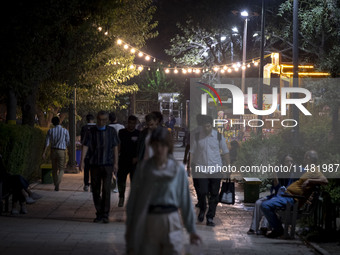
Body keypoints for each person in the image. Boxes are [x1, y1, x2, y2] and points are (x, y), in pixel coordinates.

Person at [126, 127, 201, 255]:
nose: (159, 149)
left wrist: (191, 230)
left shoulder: (178, 170)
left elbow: (185, 201)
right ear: (151, 146)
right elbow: (133, 200)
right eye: (155, 145)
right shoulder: (143, 168)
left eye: (163, 145)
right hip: (149, 219)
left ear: (168, 146)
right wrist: (131, 234)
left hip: (171, 219)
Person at [261, 150, 328, 238]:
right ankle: (277, 230)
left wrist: (309, 180)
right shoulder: (309, 170)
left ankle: (278, 230)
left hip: (292, 199)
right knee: (264, 204)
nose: (304, 158)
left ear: (309, 158)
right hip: (288, 196)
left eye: (306, 156)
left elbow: (325, 181)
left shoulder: (315, 170)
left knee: (265, 205)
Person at [190, 115, 230, 226]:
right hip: (201, 168)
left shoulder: (218, 136)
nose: (206, 129)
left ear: (211, 125)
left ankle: (210, 217)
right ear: (202, 126)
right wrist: (189, 166)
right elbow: (192, 152)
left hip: (216, 169)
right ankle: (202, 209)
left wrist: (228, 166)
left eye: (208, 126)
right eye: (204, 127)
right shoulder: (197, 137)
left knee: (214, 194)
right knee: (202, 192)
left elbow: (226, 152)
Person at [81, 111, 119, 223]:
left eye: (103, 120)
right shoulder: (91, 131)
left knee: (106, 189)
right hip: (95, 164)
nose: (101, 122)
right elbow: (85, 145)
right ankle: (99, 213)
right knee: (96, 190)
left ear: (107, 120)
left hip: (108, 164)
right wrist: (82, 161)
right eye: (99, 119)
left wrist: (116, 163)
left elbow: (115, 147)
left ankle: (105, 214)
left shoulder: (111, 131)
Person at [247, 154, 296, 235]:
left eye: (291, 161)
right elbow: (275, 189)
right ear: (283, 163)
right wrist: (275, 175)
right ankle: (253, 228)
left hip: (284, 198)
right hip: (275, 196)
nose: (289, 163)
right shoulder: (280, 172)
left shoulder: (293, 174)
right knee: (258, 202)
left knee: (268, 204)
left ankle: (264, 227)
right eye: (287, 161)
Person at [117, 115, 140, 207]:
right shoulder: (121, 132)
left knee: (134, 182)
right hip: (123, 160)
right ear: (127, 123)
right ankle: (121, 197)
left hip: (135, 162)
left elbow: (141, 148)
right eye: (130, 123)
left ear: (136, 124)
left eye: (133, 123)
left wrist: (138, 157)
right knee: (121, 180)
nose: (131, 125)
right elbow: (118, 145)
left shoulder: (139, 133)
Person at [42, 116, 70, 191]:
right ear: (59, 122)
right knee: (61, 169)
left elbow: (47, 142)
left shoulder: (50, 131)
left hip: (53, 151)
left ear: (52, 123)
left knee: (54, 169)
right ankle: (57, 183)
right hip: (61, 151)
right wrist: (68, 152)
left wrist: (44, 152)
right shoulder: (65, 131)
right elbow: (68, 142)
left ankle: (55, 184)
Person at [108, 112, 125, 193]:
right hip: (119, 150)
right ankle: (117, 186)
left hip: (109, 151)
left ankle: (111, 182)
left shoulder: (107, 128)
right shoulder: (121, 127)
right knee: (118, 168)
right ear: (116, 118)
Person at [80, 114, 96, 192]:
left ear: (87, 120)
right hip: (95, 153)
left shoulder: (84, 128)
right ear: (93, 119)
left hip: (87, 153)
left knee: (86, 170)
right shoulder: (97, 128)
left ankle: (86, 185)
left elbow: (82, 142)